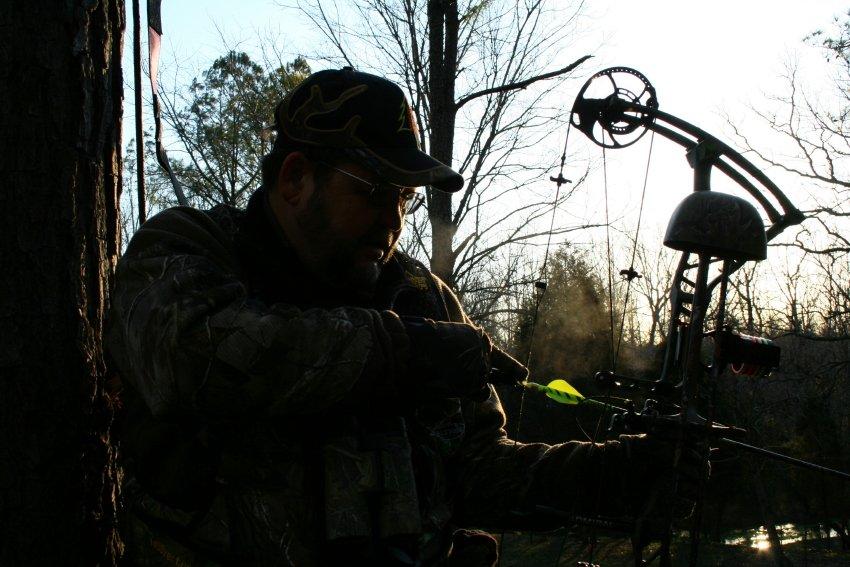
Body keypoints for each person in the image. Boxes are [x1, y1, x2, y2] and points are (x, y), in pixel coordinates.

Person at [107, 67, 703, 566]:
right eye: (372, 189)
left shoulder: (420, 296)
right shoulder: (187, 249)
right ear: (295, 178)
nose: (393, 221)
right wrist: (406, 354)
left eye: (404, 198)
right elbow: (192, 357)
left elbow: (479, 470)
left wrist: (626, 472)